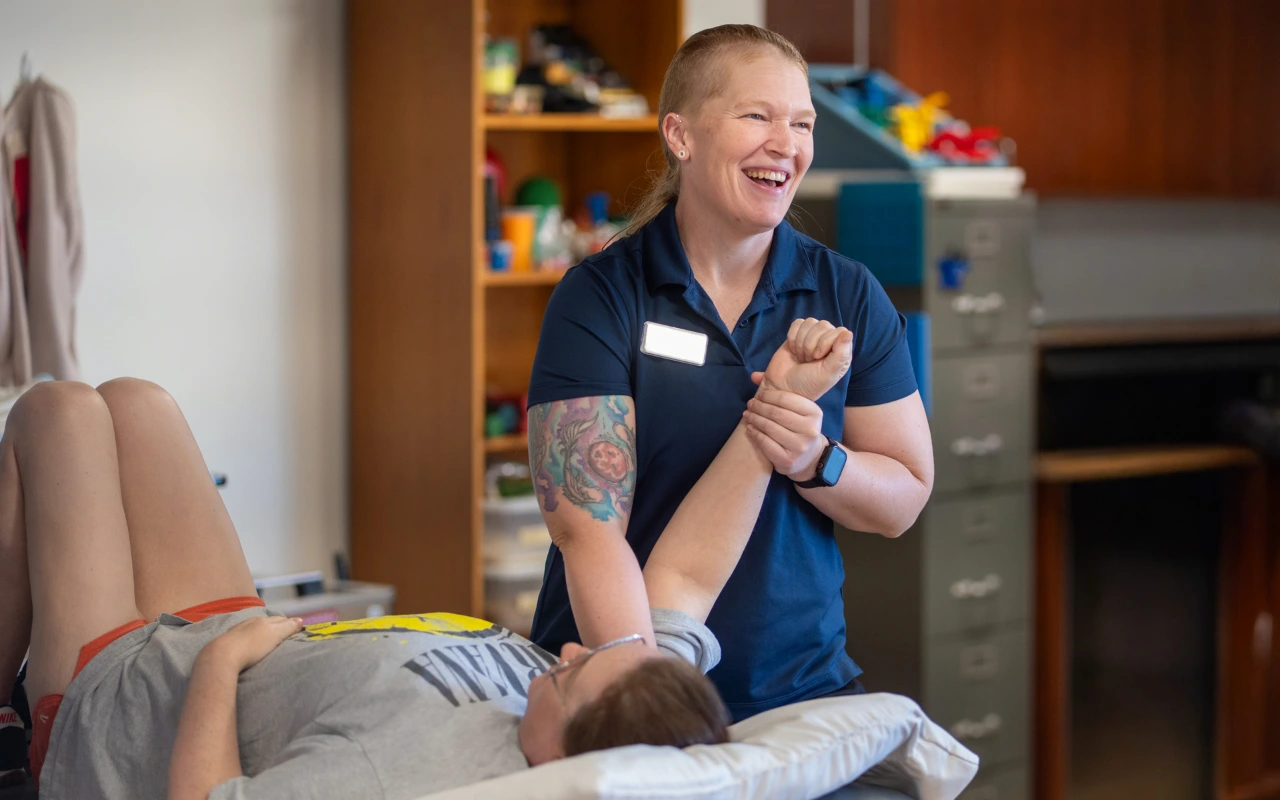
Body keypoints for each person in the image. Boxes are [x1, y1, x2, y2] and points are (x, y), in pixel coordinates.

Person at [0, 319, 851, 798]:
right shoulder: (624, 696)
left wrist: (224, 663)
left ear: (565, 757)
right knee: (136, 402)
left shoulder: (411, 774)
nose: (565, 650)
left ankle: (13, 725)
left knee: (56, 413)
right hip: (237, 629)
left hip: (119, 700)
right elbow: (687, 576)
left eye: (570, 679)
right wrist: (776, 411)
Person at [526, 24, 935, 722]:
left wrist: (814, 459)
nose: (788, 143)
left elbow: (904, 497)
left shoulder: (847, 293)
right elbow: (585, 530)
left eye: (802, 122)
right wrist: (638, 694)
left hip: (798, 687)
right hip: (618, 681)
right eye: (758, 116)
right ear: (680, 136)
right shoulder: (602, 295)